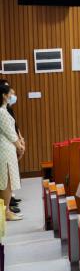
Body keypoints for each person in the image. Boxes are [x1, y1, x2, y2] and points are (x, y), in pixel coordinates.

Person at [1, 83, 22, 221]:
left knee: (8, 180)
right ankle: (6, 211)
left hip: (8, 148)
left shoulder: (4, 110)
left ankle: (7, 210)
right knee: (6, 181)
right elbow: (10, 132)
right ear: (4, 95)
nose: (12, 96)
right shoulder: (1, 111)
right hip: (5, 148)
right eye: (10, 93)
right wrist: (19, 146)